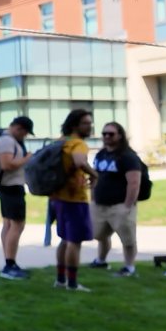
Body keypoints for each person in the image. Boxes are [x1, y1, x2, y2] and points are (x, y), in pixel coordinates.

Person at [87, 123, 143, 276]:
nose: (106, 137)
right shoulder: (101, 154)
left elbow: (134, 182)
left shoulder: (128, 156)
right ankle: (101, 260)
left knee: (127, 239)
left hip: (119, 205)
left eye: (110, 134)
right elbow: (94, 178)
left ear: (120, 135)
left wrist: (128, 205)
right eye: (104, 133)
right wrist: (92, 198)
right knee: (99, 235)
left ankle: (129, 267)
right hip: (99, 205)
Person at [51, 109, 98, 292]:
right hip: (74, 199)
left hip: (58, 198)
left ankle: (60, 279)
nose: (89, 126)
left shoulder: (61, 142)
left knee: (64, 240)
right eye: (86, 123)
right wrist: (95, 174)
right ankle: (72, 283)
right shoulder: (78, 144)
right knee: (74, 242)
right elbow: (79, 162)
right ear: (75, 125)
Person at [0, 116, 34, 280]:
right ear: (18, 128)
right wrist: (27, 158)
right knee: (17, 225)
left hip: (8, 186)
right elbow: (6, 164)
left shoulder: (6, 139)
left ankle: (9, 262)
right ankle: (9, 265)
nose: (24, 136)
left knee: (9, 224)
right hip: (10, 186)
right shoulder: (6, 141)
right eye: (25, 133)